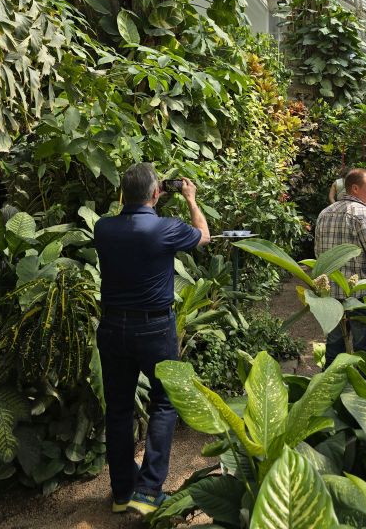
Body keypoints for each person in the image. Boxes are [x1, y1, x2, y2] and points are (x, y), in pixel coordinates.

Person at [94, 163, 210, 516]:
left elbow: (125, 223)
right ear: (157, 193)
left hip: (112, 327)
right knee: (164, 402)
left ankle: (121, 492)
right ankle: (147, 491)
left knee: (118, 409)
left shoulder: (103, 228)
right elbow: (203, 236)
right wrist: (191, 200)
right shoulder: (166, 228)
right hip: (154, 329)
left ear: (122, 194)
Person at [315, 168, 366, 367]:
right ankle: (360, 385)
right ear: (355, 188)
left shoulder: (325, 213)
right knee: (365, 351)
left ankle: (330, 385)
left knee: (333, 350)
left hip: (331, 296)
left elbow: (319, 255)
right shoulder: (365, 214)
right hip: (360, 295)